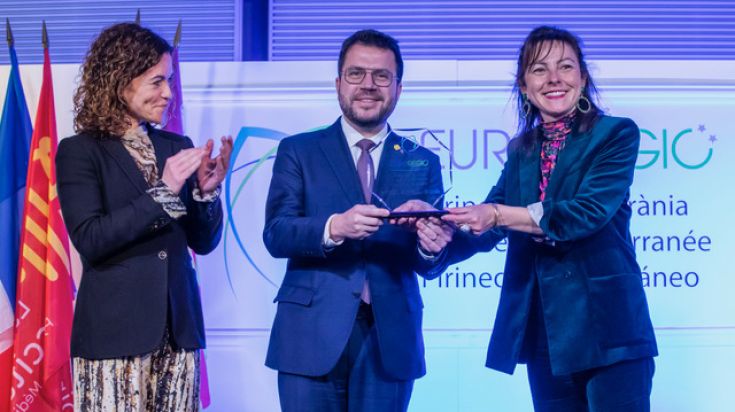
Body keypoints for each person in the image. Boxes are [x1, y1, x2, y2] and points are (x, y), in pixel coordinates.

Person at [442, 26, 658, 411]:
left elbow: (585, 212)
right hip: (546, 329)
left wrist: (496, 215)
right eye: (540, 69)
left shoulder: (615, 134)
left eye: (566, 67)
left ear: (583, 78)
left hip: (609, 326)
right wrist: (435, 235)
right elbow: (489, 223)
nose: (554, 79)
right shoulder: (521, 149)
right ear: (524, 86)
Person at [263, 29, 452, 412]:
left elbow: (428, 264)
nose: (368, 85)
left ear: (398, 88)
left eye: (381, 76)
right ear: (338, 84)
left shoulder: (422, 160)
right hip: (309, 335)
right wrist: (334, 227)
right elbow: (277, 233)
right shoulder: (298, 150)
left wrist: (431, 249)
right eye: (356, 74)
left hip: (389, 339)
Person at [56, 23, 232, 411]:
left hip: (178, 331)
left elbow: (201, 241)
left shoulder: (176, 145)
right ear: (120, 82)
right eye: (156, 82)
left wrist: (206, 193)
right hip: (114, 337)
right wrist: (164, 190)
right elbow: (92, 239)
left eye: (168, 80)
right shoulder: (80, 151)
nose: (168, 92)